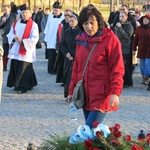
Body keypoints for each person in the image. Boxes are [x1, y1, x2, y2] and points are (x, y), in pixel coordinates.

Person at [66, 5, 124, 128]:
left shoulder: (110, 39)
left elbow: (117, 68)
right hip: (84, 94)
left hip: (101, 94)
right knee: (92, 132)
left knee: (89, 129)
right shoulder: (81, 39)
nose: (89, 27)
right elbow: (77, 68)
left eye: (92, 23)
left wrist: (115, 93)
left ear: (99, 21)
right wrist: (71, 90)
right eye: (85, 23)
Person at [6, 5, 39, 94]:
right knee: (16, 65)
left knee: (24, 68)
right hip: (16, 49)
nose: (24, 14)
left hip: (26, 50)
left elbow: (35, 38)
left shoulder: (34, 25)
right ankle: (30, 83)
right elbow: (10, 34)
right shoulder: (16, 23)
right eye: (23, 12)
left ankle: (22, 86)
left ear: (30, 14)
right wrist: (14, 37)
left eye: (26, 12)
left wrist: (23, 42)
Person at [61, 14, 80, 98]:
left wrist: (72, 54)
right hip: (67, 57)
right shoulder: (66, 31)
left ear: (77, 21)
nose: (71, 23)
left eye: (73, 21)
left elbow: (80, 45)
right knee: (67, 76)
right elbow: (62, 44)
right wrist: (66, 53)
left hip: (77, 57)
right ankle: (67, 93)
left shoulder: (80, 32)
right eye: (69, 21)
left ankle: (76, 94)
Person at [114, 12, 134, 87]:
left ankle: (128, 82)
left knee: (126, 66)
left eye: (122, 16)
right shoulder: (117, 25)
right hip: (118, 48)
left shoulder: (129, 26)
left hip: (125, 49)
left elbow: (127, 36)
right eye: (120, 16)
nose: (121, 18)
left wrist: (120, 28)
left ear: (126, 17)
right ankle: (121, 81)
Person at [44, 1, 64, 74]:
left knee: (58, 55)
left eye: (56, 10)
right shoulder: (50, 16)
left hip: (58, 38)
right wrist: (46, 37)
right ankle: (51, 69)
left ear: (60, 10)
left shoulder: (63, 17)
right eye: (54, 10)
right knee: (51, 55)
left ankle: (57, 70)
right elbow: (47, 26)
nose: (55, 11)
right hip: (51, 38)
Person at [132, 14, 150, 88]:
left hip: (149, 49)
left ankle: (147, 77)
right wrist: (133, 49)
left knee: (147, 63)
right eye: (144, 19)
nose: (145, 21)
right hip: (141, 49)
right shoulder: (139, 28)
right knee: (142, 65)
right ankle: (144, 77)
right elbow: (135, 39)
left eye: (147, 19)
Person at [55, 9, 73, 84]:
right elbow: (57, 36)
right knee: (61, 63)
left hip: (70, 48)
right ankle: (62, 79)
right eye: (65, 15)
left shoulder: (72, 24)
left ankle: (66, 80)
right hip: (62, 46)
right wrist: (57, 46)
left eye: (68, 15)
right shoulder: (61, 24)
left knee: (67, 65)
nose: (66, 17)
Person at [0, 4, 16, 71]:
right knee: (5, 53)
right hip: (5, 37)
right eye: (3, 10)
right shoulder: (2, 17)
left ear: (9, 9)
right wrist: (2, 22)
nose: (5, 11)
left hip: (13, 37)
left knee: (14, 52)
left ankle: (14, 67)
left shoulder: (14, 16)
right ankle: (4, 66)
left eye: (6, 9)